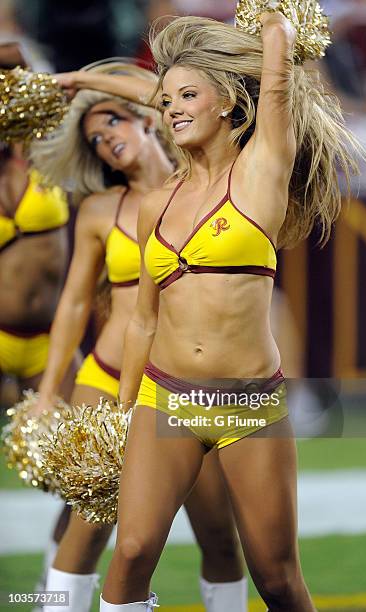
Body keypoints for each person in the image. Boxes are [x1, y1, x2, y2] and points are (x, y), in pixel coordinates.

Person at [65, 11, 359, 612]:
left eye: (188, 96)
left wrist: (270, 23)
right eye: (166, 99)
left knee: (276, 577)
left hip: (247, 403)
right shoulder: (157, 202)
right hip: (163, 396)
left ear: (227, 102)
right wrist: (120, 415)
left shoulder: (260, 172)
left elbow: (275, 75)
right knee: (132, 551)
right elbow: (144, 319)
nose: (171, 108)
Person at [31, 62, 248, 612]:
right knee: (91, 527)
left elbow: (165, 97)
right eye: (97, 140)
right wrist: (51, 390)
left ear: (145, 119)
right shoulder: (100, 211)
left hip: (183, 385)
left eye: (113, 125)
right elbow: (75, 304)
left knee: (219, 534)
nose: (107, 142)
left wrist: (82, 83)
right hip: (105, 379)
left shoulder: (200, 188)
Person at [0, 42, 79, 599]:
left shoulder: (40, 147)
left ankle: (53, 589)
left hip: (51, 340)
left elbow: (13, 52)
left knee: (84, 474)